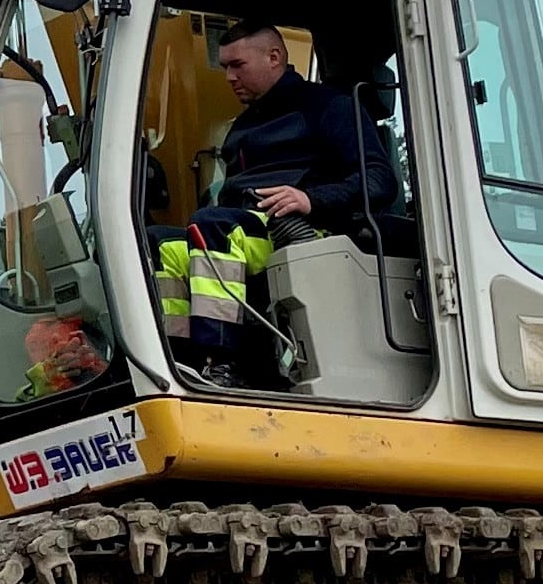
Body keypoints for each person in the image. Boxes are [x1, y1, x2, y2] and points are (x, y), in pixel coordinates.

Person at [152, 21, 394, 374]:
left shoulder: (328, 106)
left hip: (304, 229)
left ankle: (220, 363)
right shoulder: (241, 127)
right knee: (159, 242)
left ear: (275, 57)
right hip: (242, 228)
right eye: (224, 68)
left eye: (238, 66)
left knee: (211, 227)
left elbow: (380, 179)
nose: (229, 78)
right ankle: (178, 360)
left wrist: (310, 199)